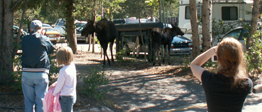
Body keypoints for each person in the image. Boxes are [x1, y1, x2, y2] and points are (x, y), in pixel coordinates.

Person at [190, 37, 253, 112]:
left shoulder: (209, 79)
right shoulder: (246, 83)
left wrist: (213, 50)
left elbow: (194, 64)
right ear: (239, 57)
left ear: (218, 58)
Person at [21, 20, 55, 112]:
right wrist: (44, 35)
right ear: (41, 29)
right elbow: (51, 49)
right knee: (41, 101)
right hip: (41, 73)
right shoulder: (43, 38)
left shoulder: (25, 39)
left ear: (30, 29)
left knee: (28, 102)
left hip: (26, 73)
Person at [49, 47, 77, 112]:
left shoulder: (63, 71)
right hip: (73, 95)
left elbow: (60, 85)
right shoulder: (72, 66)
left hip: (65, 97)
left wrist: (54, 93)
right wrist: (55, 83)